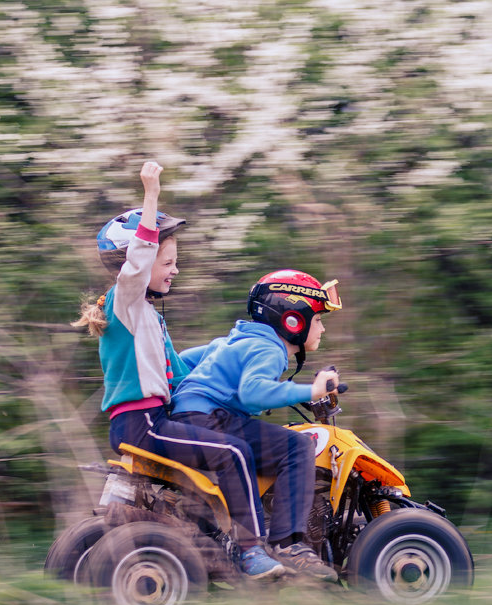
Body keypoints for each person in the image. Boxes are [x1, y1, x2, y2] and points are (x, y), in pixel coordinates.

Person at [72, 161, 286, 580]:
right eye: (166, 260)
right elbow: (138, 259)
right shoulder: (126, 300)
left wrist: (230, 349)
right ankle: (251, 551)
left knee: (227, 445)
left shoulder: (145, 316)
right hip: (142, 423)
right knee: (234, 452)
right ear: (138, 261)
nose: (174, 269)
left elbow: (180, 366)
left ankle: (221, 540)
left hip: (148, 421)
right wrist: (151, 194)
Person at [170, 269, 342, 581]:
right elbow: (253, 393)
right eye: (318, 320)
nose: (323, 328)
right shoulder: (270, 349)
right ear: (293, 319)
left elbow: (184, 360)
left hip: (189, 417)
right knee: (297, 446)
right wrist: (312, 391)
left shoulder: (237, 340)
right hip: (209, 419)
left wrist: (187, 394)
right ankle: (287, 544)